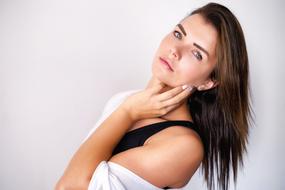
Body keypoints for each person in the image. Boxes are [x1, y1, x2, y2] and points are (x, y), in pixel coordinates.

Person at [55, 2, 252, 190]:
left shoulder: (184, 147)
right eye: (177, 34)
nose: (175, 50)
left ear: (209, 82)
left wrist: (129, 112)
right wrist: (128, 108)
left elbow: (69, 186)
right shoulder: (125, 99)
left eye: (196, 53)